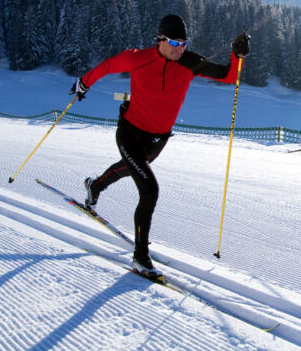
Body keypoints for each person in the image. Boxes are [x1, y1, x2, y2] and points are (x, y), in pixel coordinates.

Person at [69, 14, 250, 279]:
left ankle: (94, 186)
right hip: (130, 133)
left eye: (184, 43)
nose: (181, 48)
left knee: (130, 169)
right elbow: (107, 67)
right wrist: (83, 83)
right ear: (161, 39)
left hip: (158, 140)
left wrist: (237, 55)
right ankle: (140, 257)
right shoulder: (137, 58)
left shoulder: (190, 62)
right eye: (175, 43)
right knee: (150, 190)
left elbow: (229, 75)